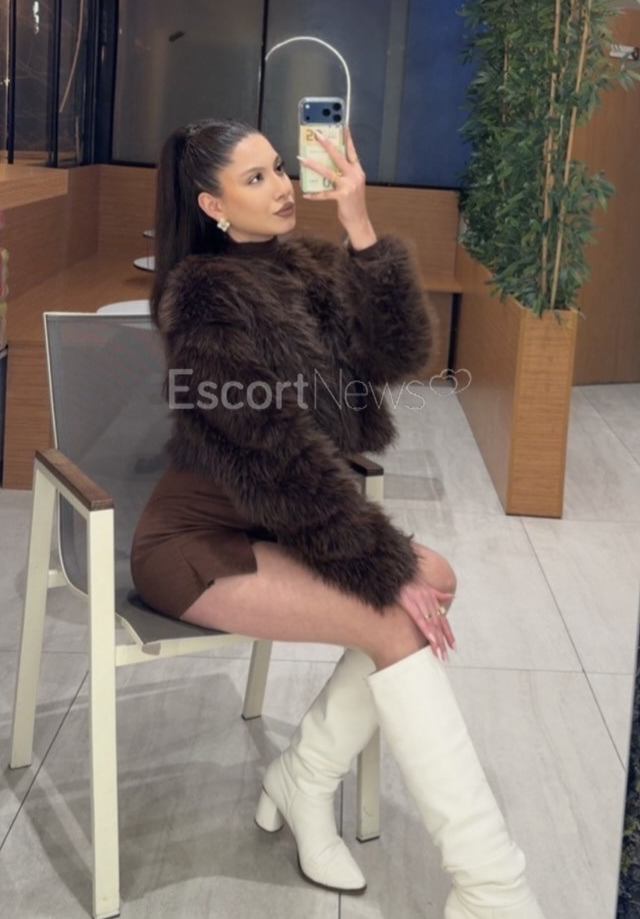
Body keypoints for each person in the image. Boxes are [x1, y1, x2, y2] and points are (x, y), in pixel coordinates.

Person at [130, 117, 545, 919]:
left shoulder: (310, 265)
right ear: (213, 205)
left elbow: (398, 357)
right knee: (397, 616)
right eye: (255, 178)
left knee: (436, 581)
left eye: (280, 168)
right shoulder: (203, 297)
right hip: (195, 543)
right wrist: (382, 566)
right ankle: (494, 890)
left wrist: (358, 227)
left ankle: (304, 776)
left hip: (273, 522)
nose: (282, 186)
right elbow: (276, 453)